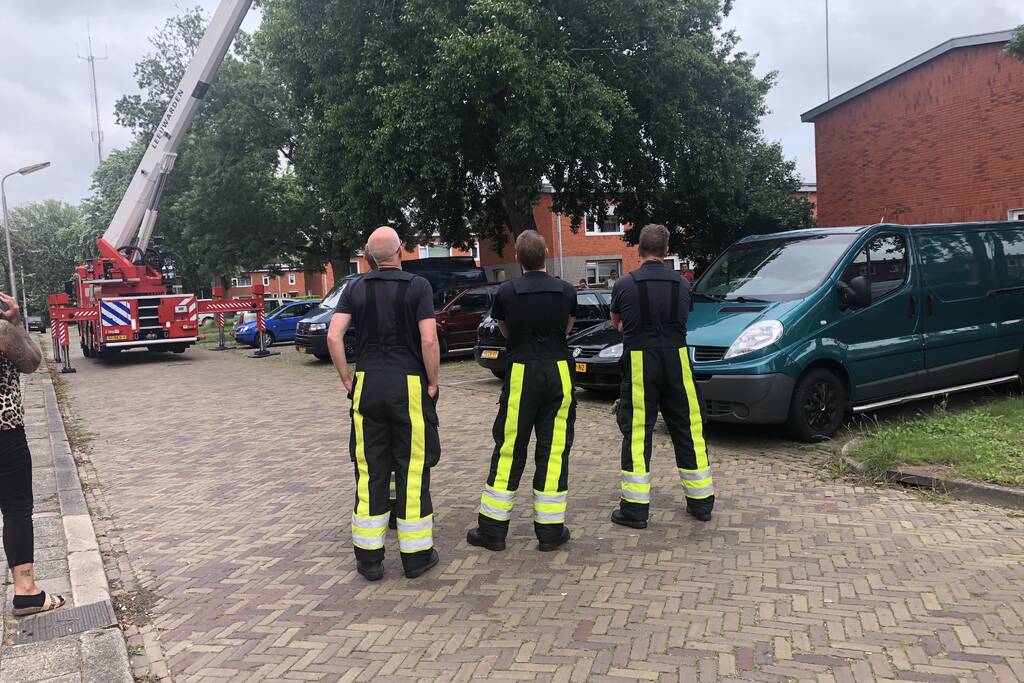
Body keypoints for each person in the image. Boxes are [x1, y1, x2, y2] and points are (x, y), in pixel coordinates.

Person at [328, 227, 441, 581]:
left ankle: (369, 560)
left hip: (367, 384)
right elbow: (429, 340)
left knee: (369, 469)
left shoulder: (354, 287)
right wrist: (433, 382)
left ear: (369, 257)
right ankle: (416, 557)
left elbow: (333, 335)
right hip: (408, 383)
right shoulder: (418, 286)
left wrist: (347, 379)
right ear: (401, 251)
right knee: (412, 467)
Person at [467, 230, 577, 553]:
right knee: (554, 450)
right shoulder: (566, 290)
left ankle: (492, 530)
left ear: (517, 258)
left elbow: (504, 329)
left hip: (521, 371)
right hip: (559, 371)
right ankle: (550, 532)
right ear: (546, 254)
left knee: (509, 448)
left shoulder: (507, 291)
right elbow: (568, 326)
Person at [609, 224, 714, 529]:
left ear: (639, 250)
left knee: (638, 433)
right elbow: (683, 317)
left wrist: (629, 327)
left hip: (640, 360)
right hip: (677, 359)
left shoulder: (624, 284)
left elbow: (618, 322)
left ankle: (635, 509)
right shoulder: (682, 284)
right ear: (666, 251)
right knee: (689, 429)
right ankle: (701, 503)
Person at [0, 292, 65, 615]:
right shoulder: (1, 330)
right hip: (4, 430)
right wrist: (14, 323)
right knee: (15, 507)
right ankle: (26, 591)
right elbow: (32, 362)